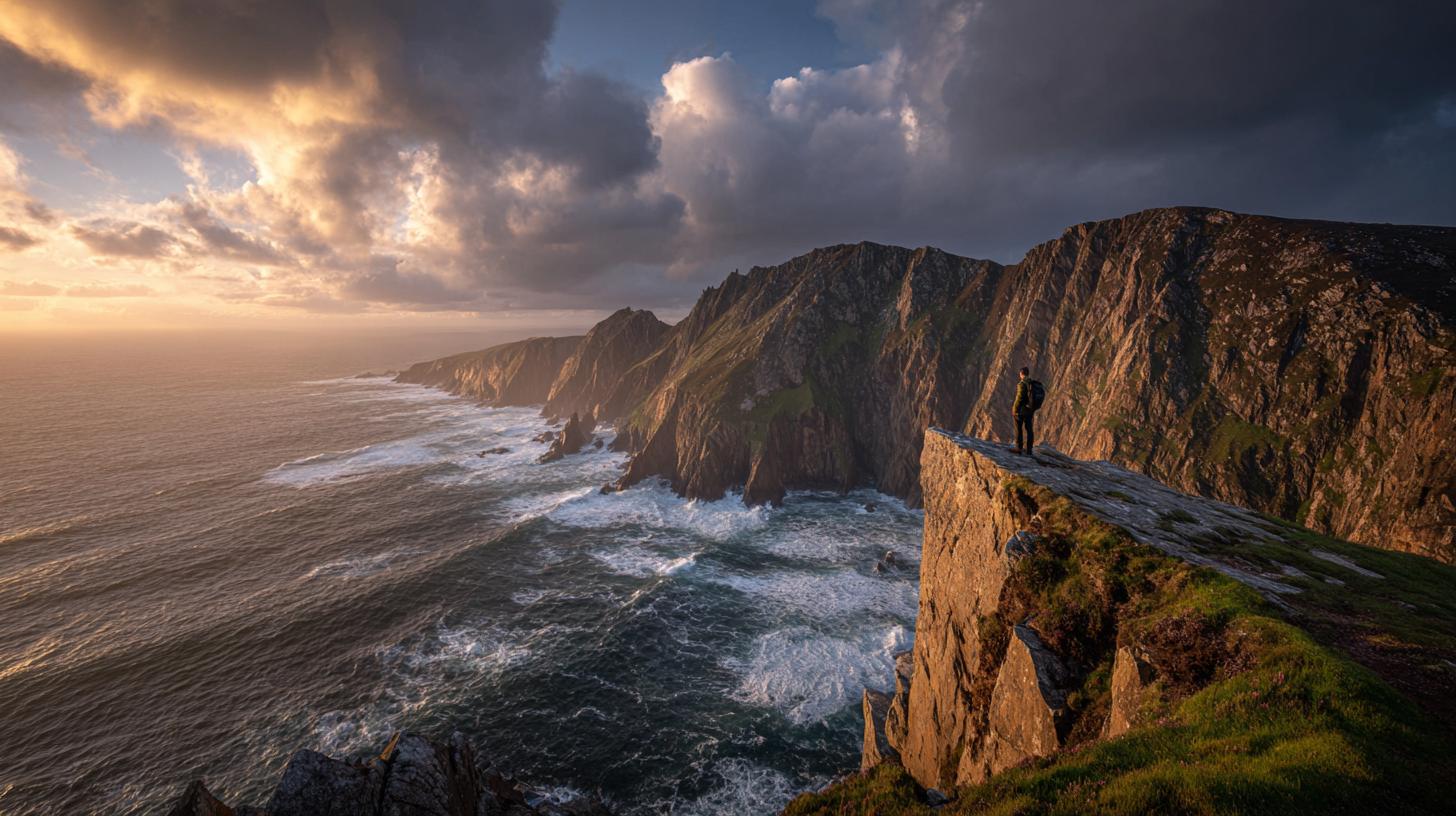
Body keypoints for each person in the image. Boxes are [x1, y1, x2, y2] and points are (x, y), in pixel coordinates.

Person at [1012, 366, 1035, 455]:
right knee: (1029, 429)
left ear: (1021, 374)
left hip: (1021, 410)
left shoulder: (1022, 384)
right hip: (1030, 410)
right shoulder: (1032, 383)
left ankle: (1019, 448)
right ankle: (1029, 450)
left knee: (1018, 428)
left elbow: (1019, 398)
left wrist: (1014, 409)